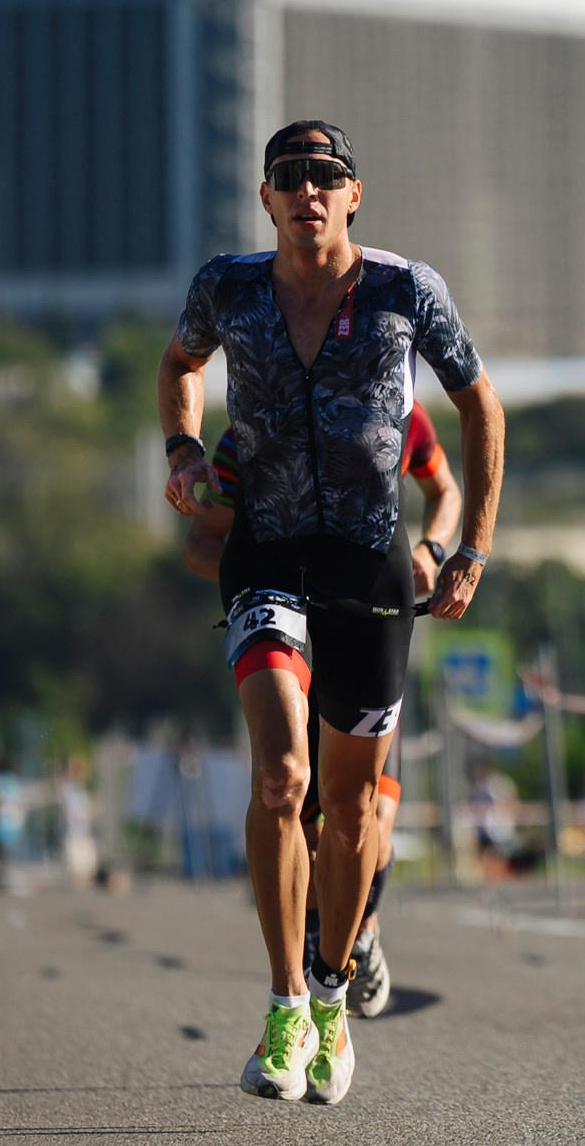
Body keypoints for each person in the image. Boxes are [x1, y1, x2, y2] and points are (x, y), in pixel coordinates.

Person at [159, 119, 504, 1105]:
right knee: (282, 777)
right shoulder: (227, 287)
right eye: (290, 178)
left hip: (368, 567)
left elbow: (481, 405)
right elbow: (178, 368)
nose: (309, 191)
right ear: (267, 200)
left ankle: (330, 994)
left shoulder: (405, 290)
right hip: (267, 556)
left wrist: (468, 546)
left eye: (327, 177)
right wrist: (185, 453)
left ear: (354, 196)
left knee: (351, 806)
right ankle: (278, 1005)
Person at [185, 400, 461, 1018]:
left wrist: (433, 550)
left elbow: (445, 490)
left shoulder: (402, 417)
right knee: (298, 816)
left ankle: (359, 932)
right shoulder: (246, 438)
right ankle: (314, 962)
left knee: (370, 826)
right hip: (292, 645)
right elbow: (202, 547)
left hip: (365, 627)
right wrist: (261, 581)